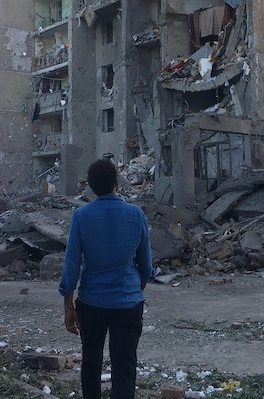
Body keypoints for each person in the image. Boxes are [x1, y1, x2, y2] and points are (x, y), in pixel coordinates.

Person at [59, 159, 154, 399]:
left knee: (91, 361)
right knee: (125, 366)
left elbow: (71, 266)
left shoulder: (81, 216)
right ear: (116, 182)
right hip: (128, 303)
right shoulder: (135, 214)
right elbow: (146, 264)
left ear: (91, 187)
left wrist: (68, 305)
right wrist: (135, 288)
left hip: (92, 303)